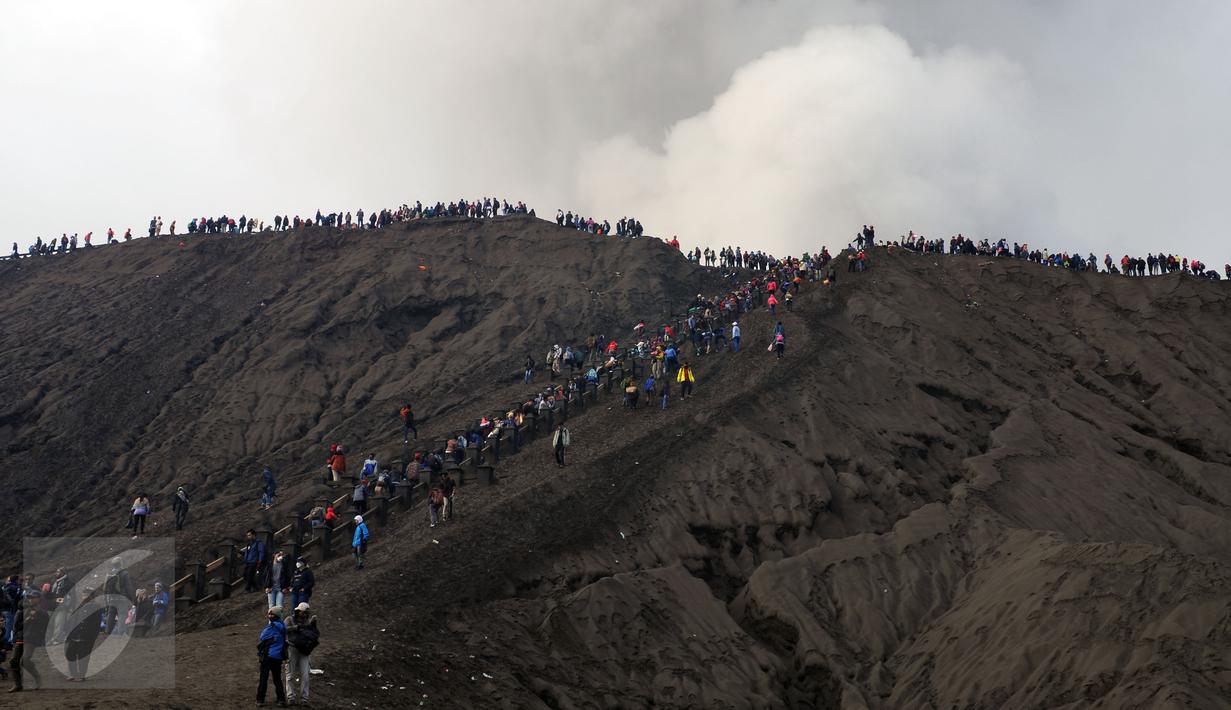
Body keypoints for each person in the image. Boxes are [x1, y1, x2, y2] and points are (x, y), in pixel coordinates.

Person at [284, 602, 319, 705]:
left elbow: (314, 634)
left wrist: (313, 624)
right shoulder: (289, 619)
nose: (304, 614)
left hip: (304, 650)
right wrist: (296, 627)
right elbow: (283, 629)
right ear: (298, 611)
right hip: (292, 648)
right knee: (290, 675)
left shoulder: (308, 621)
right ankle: (291, 697)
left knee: (305, 675)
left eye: (306, 613)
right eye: (303, 612)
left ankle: (304, 698)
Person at [65, 592, 103, 681]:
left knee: (83, 656)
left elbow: (96, 624)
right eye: (83, 595)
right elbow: (72, 619)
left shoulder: (95, 608)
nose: (83, 597)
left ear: (91, 597)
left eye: (86, 595)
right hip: (75, 634)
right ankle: (73, 674)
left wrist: (92, 636)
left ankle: (81, 675)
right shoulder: (79, 606)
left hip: (86, 636)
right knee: (70, 655)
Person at [256, 606, 287, 707]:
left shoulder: (272, 626)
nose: (269, 615)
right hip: (277, 657)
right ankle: (281, 699)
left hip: (268, 655)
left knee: (263, 678)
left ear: (275, 615)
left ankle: (260, 700)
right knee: (277, 679)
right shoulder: (282, 626)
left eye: (271, 614)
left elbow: (262, 636)